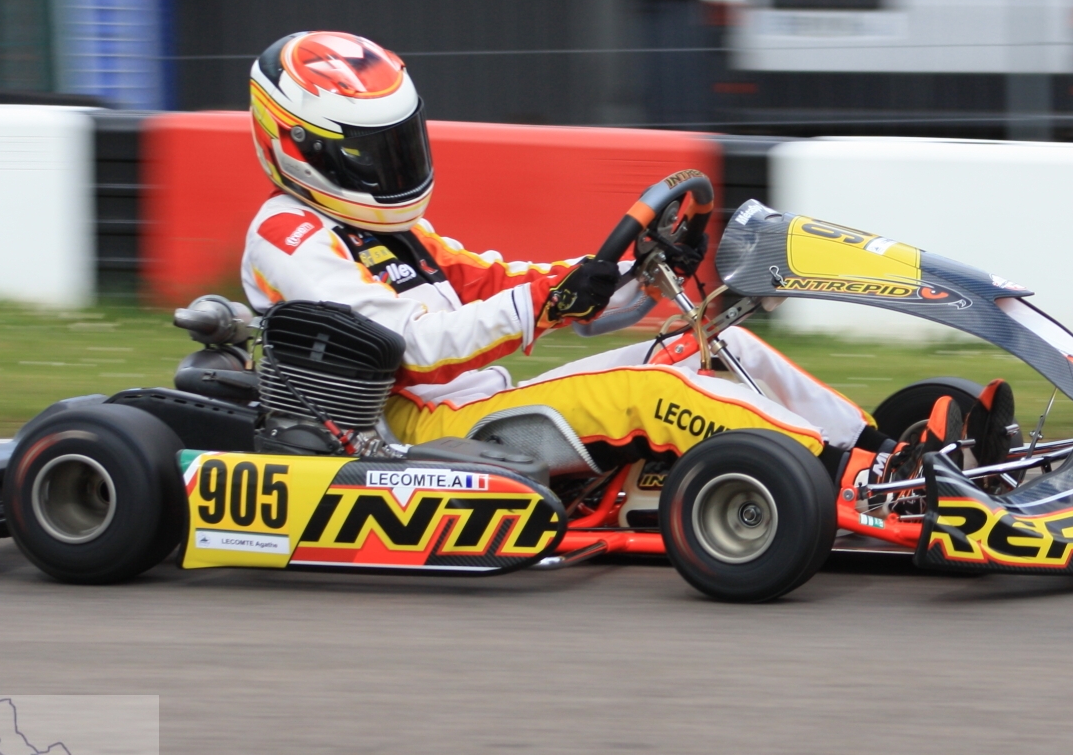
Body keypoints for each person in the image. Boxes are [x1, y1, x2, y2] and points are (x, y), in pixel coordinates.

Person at [239, 31, 878, 471]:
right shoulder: (288, 237)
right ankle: (836, 476)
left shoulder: (388, 229)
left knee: (717, 345)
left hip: (481, 404)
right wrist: (546, 304)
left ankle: (873, 450)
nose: (392, 165)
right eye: (370, 152)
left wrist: (633, 271)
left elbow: (496, 282)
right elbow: (413, 346)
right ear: (297, 146)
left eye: (399, 145)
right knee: (652, 390)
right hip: (426, 430)